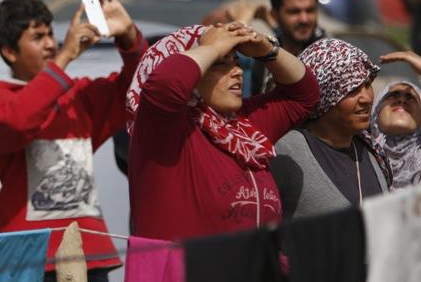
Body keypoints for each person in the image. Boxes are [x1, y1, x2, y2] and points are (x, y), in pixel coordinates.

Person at [0, 0, 148, 282]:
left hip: (91, 260)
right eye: (37, 37)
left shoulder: (79, 97)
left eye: (50, 35)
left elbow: (140, 88)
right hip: (31, 268)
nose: (50, 44)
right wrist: (67, 56)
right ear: (9, 52)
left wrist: (128, 36)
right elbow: (16, 123)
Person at [126, 22, 318, 240]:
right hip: (185, 273)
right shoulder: (164, 128)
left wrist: (266, 50)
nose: (237, 72)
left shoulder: (244, 128)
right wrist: (212, 46)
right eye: (220, 64)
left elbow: (305, 93)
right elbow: (166, 84)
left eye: (236, 62)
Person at [271, 38, 391, 220]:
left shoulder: (373, 153)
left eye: (367, 85)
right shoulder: (287, 151)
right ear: (325, 96)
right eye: (352, 90)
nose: (366, 98)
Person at [370, 50, 421, 189]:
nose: (402, 100)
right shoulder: (358, 154)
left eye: (411, 97)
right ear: (376, 112)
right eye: (392, 95)